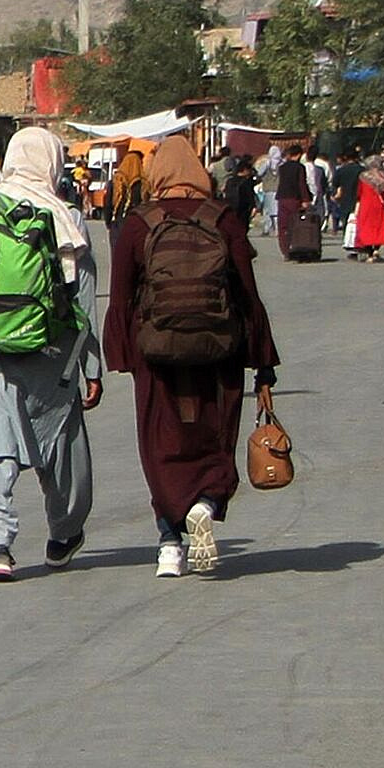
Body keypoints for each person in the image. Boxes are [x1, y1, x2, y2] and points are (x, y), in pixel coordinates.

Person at [102, 138, 280, 578]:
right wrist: (263, 361)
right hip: (220, 350)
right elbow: (247, 295)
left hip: (157, 352)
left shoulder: (139, 224)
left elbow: (121, 296)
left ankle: (168, 541)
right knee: (213, 434)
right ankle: (206, 501)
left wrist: (122, 354)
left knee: (160, 441)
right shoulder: (222, 220)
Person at [0, 127, 101, 582]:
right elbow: (84, 301)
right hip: (54, 360)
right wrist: (92, 368)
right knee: (61, 448)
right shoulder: (67, 219)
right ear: (53, 164)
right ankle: (64, 536)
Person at [275, 143, 314, 258]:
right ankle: (296, 247)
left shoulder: (282, 167)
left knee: (283, 226)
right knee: (295, 224)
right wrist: (306, 199)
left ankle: (285, 250)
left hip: (282, 198)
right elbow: (301, 184)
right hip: (294, 198)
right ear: (298, 155)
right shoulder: (299, 167)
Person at [222, 155, 261, 231]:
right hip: (243, 209)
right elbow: (250, 195)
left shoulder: (229, 181)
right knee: (242, 229)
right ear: (245, 170)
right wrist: (254, 206)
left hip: (230, 207)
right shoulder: (246, 182)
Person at [331, 147, 363, 237]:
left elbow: (335, 184)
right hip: (360, 198)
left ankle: (347, 238)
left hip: (345, 198)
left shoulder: (341, 170)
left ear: (344, 157)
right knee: (359, 220)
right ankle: (358, 239)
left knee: (346, 220)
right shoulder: (362, 169)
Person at [258, 144, 283, 236]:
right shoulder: (282, 163)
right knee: (277, 210)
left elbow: (259, 173)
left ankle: (266, 229)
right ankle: (277, 229)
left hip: (268, 189)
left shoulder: (267, 163)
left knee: (267, 210)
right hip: (279, 189)